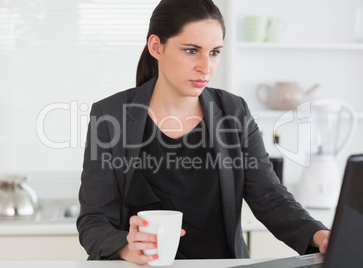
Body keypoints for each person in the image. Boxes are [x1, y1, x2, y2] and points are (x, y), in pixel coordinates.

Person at [77, 0, 330, 264]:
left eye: (214, 52)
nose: (205, 67)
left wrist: (320, 235)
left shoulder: (234, 112)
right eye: (191, 50)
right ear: (156, 47)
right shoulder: (110, 115)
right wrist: (126, 247)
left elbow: (271, 198)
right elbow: (93, 221)